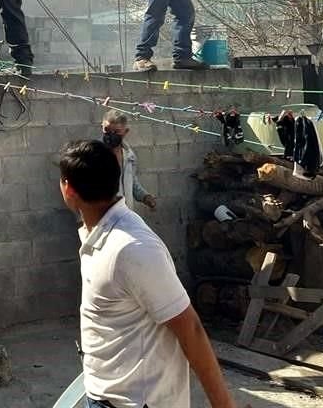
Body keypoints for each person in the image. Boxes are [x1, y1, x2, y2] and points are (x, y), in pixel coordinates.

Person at [53, 140, 238, 408]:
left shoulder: (132, 248)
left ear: (68, 189)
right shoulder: (100, 235)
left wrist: (224, 405)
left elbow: (191, 329)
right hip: (103, 393)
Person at [100, 110, 156, 211]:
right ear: (102, 127)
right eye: (107, 130)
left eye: (116, 132)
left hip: (125, 213)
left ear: (125, 132)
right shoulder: (93, 154)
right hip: (102, 216)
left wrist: (144, 196)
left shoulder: (129, 156)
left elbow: (131, 182)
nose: (111, 135)